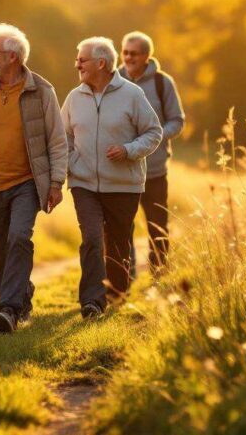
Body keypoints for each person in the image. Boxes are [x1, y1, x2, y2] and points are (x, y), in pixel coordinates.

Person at [0, 23, 68, 333]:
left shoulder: (42, 91)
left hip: (27, 183)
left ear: (13, 57)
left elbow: (57, 141)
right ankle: (22, 295)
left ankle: (7, 309)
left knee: (19, 237)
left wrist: (57, 182)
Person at [62, 37, 162, 319]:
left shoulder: (132, 95)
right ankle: (92, 302)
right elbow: (63, 138)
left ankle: (117, 292)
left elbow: (153, 132)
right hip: (84, 185)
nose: (77, 64)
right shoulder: (73, 98)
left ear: (101, 63)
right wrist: (72, 163)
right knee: (92, 238)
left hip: (124, 186)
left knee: (118, 244)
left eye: (82, 59)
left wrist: (129, 150)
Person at [118, 31, 185, 274]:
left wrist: (151, 138)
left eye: (133, 53)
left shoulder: (162, 82)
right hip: (122, 169)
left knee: (157, 226)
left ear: (147, 56)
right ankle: (126, 276)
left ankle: (159, 274)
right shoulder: (114, 81)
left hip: (155, 170)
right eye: (125, 52)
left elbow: (177, 121)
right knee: (122, 226)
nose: (128, 57)